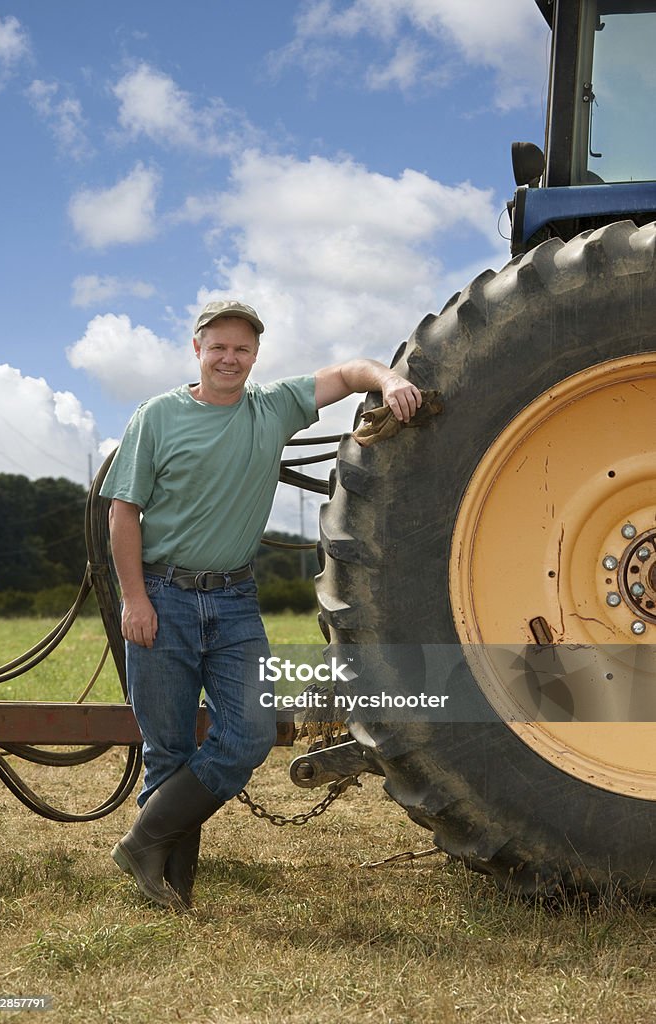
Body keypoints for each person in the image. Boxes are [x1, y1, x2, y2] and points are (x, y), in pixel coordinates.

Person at [100, 298, 422, 909]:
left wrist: (389, 379)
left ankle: (141, 843)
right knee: (169, 748)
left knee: (249, 734)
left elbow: (352, 371)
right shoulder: (158, 417)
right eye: (218, 347)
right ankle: (170, 886)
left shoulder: (272, 408)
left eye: (242, 349)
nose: (230, 358)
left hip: (234, 603)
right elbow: (123, 512)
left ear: (255, 355)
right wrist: (134, 600)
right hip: (162, 596)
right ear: (198, 349)